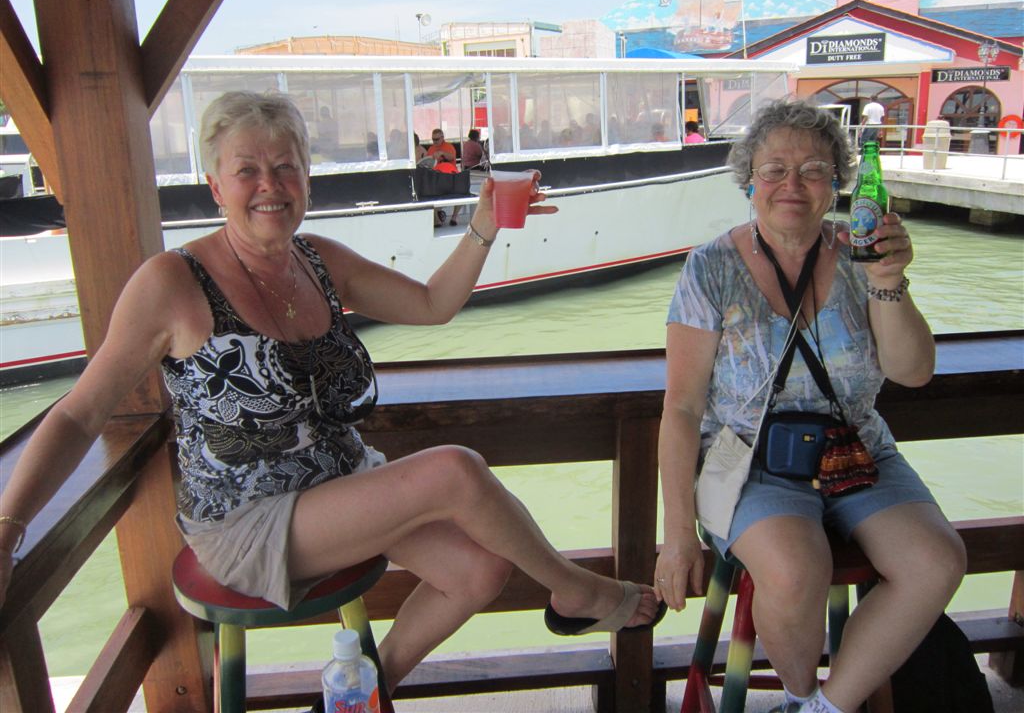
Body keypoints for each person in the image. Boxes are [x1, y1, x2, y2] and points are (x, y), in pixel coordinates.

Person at [0, 91, 664, 695]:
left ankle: (362, 695)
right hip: (245, 521)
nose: (270, 185)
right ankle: (577, 591)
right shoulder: (171, 283)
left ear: (307, 180)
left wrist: (483, 226)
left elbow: (432, 305)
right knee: (455, 470)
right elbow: (80, 414)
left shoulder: (316, 258)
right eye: (247, 170)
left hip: (340, 481)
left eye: (286, 167)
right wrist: (7, 532)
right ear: (215, 185)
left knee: (478, 573)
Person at [654, 99, 965, 713]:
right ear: (749, 181)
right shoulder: (710, 267)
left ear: (838, 183)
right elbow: (682, 408)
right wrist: (677, 533)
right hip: (747, 459)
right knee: (796, 568)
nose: (791, 185)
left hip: (855, 448)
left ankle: (823, 708)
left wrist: (889, 279)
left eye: (813, 170)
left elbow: (913, 371)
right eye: (774, 170)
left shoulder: (861, 255)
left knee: (935, 560)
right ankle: (799, 692)